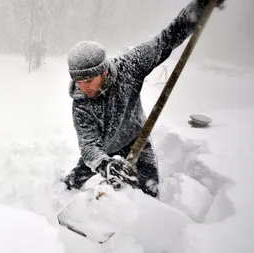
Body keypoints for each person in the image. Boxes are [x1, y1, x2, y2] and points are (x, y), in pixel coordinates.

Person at [62, 0, 226, 198]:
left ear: (103, 72)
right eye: (78, 81)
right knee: (70, 184)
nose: (83, 87)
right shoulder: (80, 104)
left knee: (149, 190)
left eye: (89, 80)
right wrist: (105, 165)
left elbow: (167, 38)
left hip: (135, 139)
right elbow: (89, 146)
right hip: (102, 149)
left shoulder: (129, 67)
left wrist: (200, 7)